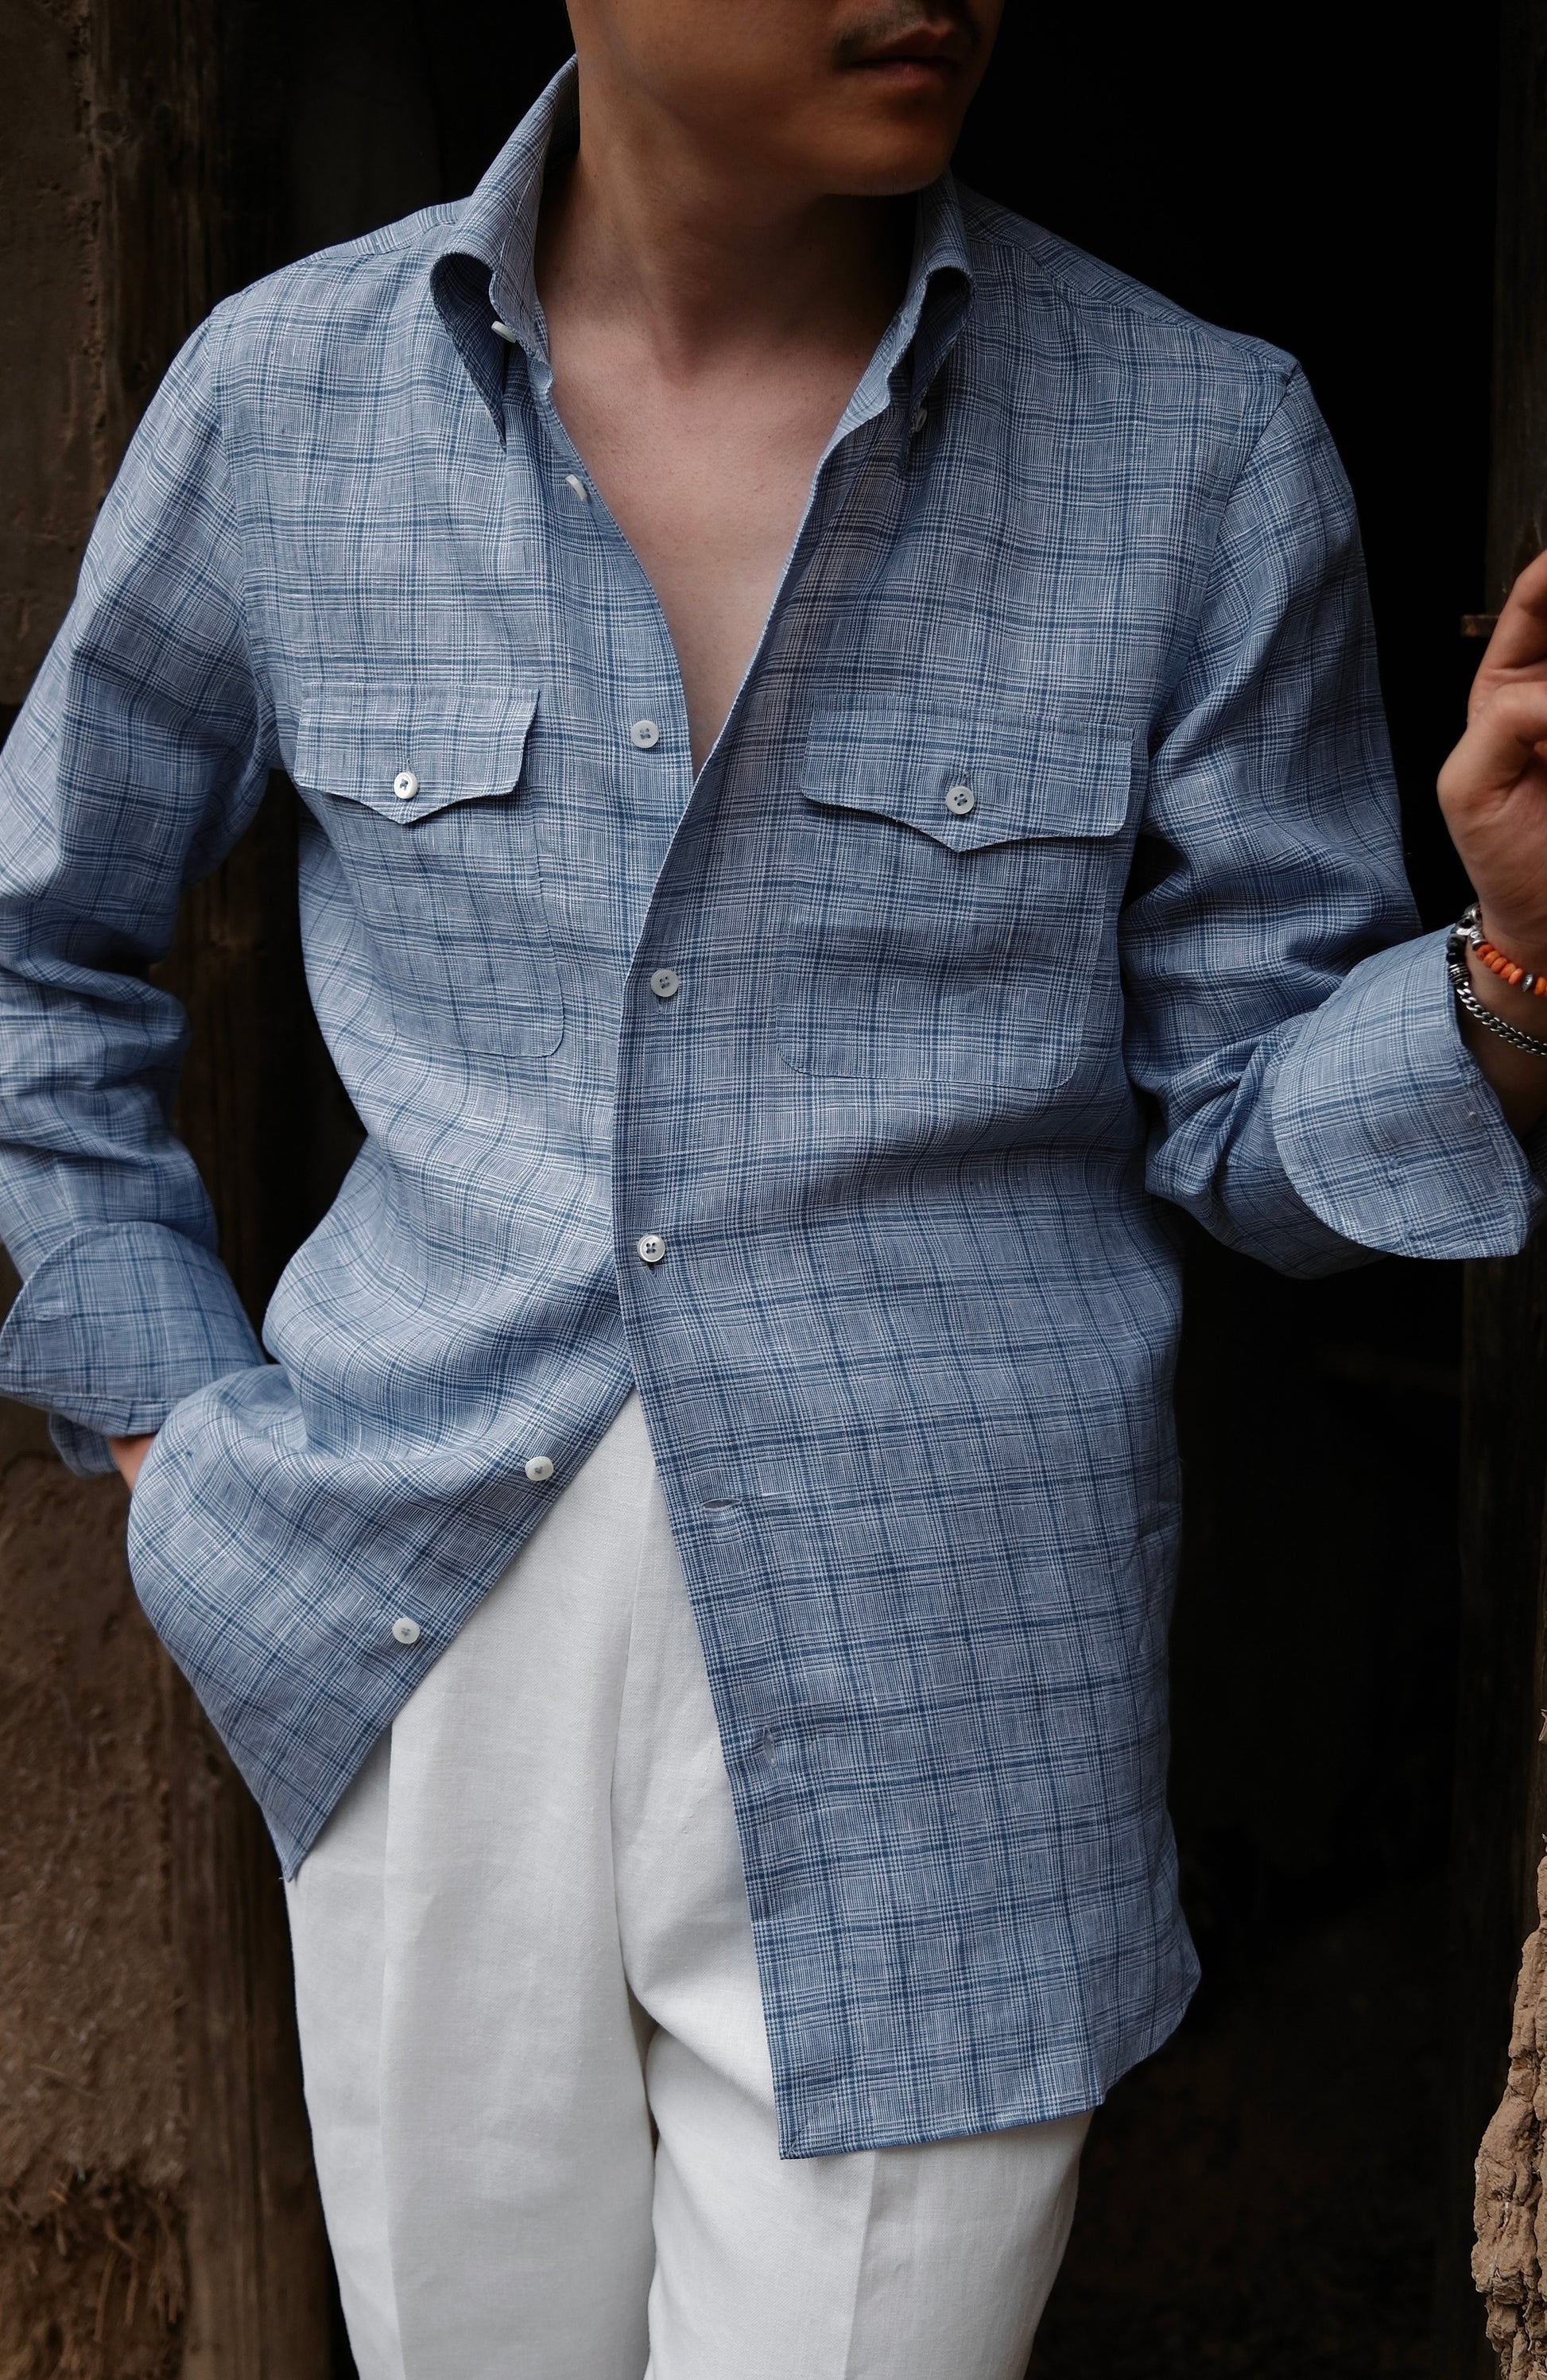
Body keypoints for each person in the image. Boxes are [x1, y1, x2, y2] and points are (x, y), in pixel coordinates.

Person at [3, 3, 1547, 2373]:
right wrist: (170, 1437)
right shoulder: (288, 402)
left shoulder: (1192, 442)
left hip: (955, 1692)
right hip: (410, 1616)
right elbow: (41, 943)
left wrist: (1514, 964)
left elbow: (1247, 1128)